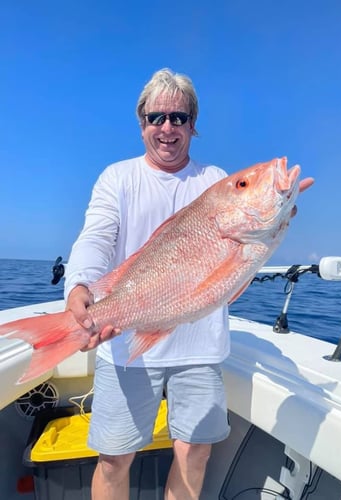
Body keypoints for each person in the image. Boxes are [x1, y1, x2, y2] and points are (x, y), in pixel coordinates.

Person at [64, 68, 232, 500]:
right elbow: (97, 237)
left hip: (199, 345)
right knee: (114, 459)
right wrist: (80, 286)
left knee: (195, 453)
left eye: (178, 117)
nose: (167, 127)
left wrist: (278, 213)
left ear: (193, 124)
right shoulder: (118, 178)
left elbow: (237, 263)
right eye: (157, 117)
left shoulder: (216, 182)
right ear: (142, 125)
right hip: (126, 340)